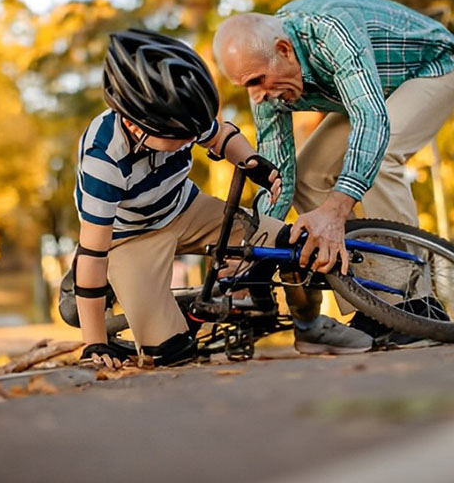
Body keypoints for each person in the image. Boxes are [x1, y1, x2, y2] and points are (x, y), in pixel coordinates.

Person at [72, 29, 373, 368]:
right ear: (137, 124)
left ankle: (309, 326)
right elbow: (93, 254)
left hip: (185, 207)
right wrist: (94, 343)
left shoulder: (182, 112)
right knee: (169, 355)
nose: (191, 140)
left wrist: (250, 160)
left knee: (290, 243)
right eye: (181, 136)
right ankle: (164, 314)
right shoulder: (104, 158)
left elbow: (219, 136)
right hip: (128, 237)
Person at [212, 0, 454, 338]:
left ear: (283, 51)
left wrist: (337, 209)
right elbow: (278, 176)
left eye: (257, 81)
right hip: (372, 91)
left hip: (432, 69)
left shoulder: (330, 30)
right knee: (307, 176)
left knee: (380, 154)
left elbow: (372, 121)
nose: (257, 96)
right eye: (246, 87)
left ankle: (415, 302)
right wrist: (252, 250)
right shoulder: (267, 83)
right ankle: (371, 302)